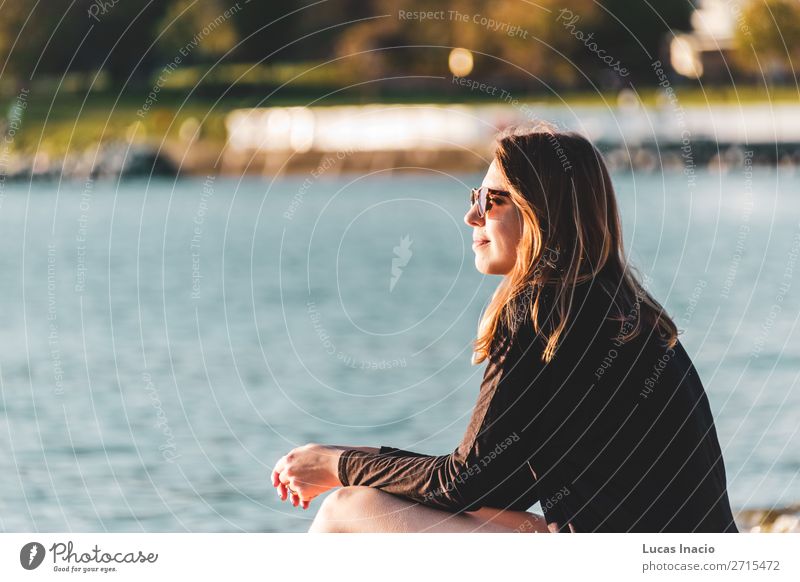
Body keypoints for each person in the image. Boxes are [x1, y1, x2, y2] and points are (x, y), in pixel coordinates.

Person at [271, 122, 739, 533]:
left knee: (348, 510)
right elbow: (495, 485)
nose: (472, 215)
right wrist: (354, 456)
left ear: (541, 212)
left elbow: (464, 483)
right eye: (474, 197)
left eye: (492, 199)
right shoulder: (620, 310)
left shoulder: (541, 312)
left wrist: (340, 466)